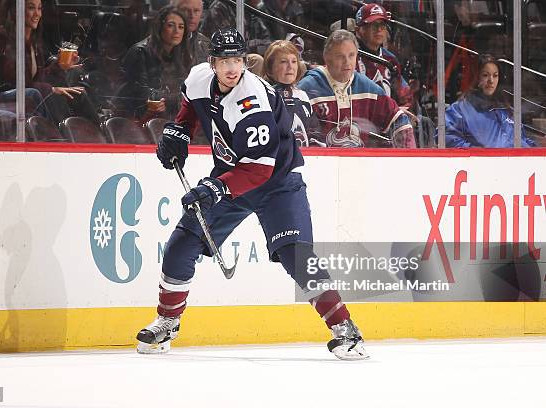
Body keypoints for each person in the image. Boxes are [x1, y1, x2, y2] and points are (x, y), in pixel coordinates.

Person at [136, 28, 369, 361]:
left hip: (276, 183)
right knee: (182, 243)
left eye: (237, 60)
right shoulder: (200, 79)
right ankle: (167, 321)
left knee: (297, 257)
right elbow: (190, 105)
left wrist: (215, 187)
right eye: (224, 61)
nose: (231, 68)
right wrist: (180, 131)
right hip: (233, 176)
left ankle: (346, 329)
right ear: (211, 62)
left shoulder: (252, 100)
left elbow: (259, 169)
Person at [297, 29, 415, 148]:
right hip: (322, 162)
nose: (347, 62)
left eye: (351, 55)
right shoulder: (306, 89)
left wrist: (405, 158)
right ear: (327, 58)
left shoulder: (368, 88)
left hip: (360, 163)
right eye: (340, 56)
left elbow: (398, 119)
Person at [114, 5, 191, 122]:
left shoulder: (181, 54)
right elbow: (139, 92)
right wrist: (175, 99)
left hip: (165, 112)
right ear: (159, 27)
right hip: (133, 115)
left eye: (181, 27)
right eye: (171, 25)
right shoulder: (140, 51)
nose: (177, 31)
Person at [441, 54, 536, 148]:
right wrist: (477, 153)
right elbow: (446, 137)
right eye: (485, 75)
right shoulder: (460, 109)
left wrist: (535, 148)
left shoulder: (507, 110)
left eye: (495, 76)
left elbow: (522, 140)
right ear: (476, 77)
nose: (491, 80)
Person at [354, 3, 413, 108]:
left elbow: (405, 96)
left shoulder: (390, 59)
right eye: (373, 25)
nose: (379, 29)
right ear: (359, 30)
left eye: (382, 25)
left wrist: (400, 111)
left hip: (388, 118)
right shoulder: (349, 57)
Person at [262, 39, 315, 146]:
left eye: (294, 61)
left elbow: (314, 132)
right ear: (270, 67)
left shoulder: (302, 96)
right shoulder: (263, 97)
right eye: (283, 61)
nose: (290, 67)